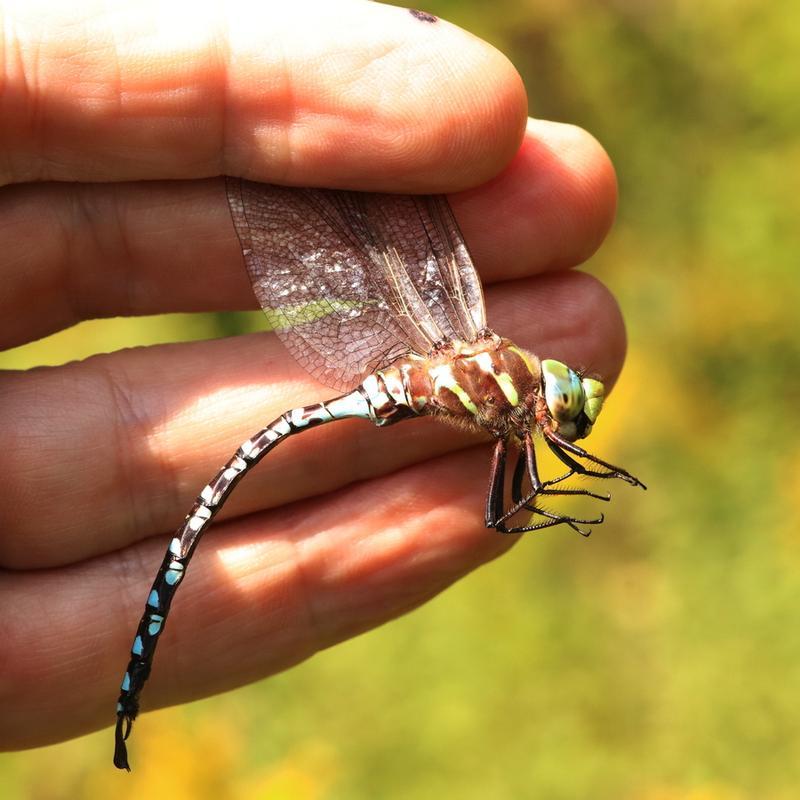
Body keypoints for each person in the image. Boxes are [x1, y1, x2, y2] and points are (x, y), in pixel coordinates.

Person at [0, 0, 623, 752]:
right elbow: (511, 501)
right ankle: (137, 672)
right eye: (567, 401)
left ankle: (134, 679)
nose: (568, 409)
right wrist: (563, 494)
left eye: (569, 404)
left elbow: (512, 497)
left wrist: (562, 493)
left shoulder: (512, 409)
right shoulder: (511, 399)